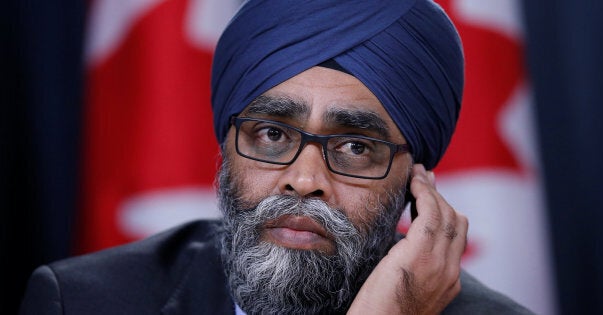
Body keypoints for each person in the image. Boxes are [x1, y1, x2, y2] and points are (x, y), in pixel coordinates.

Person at [20, 1, 534, 314]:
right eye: (271, 134)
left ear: (416, 182)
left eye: (355, 147)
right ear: (226, 144)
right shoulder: (83, 303)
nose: (304, 178)